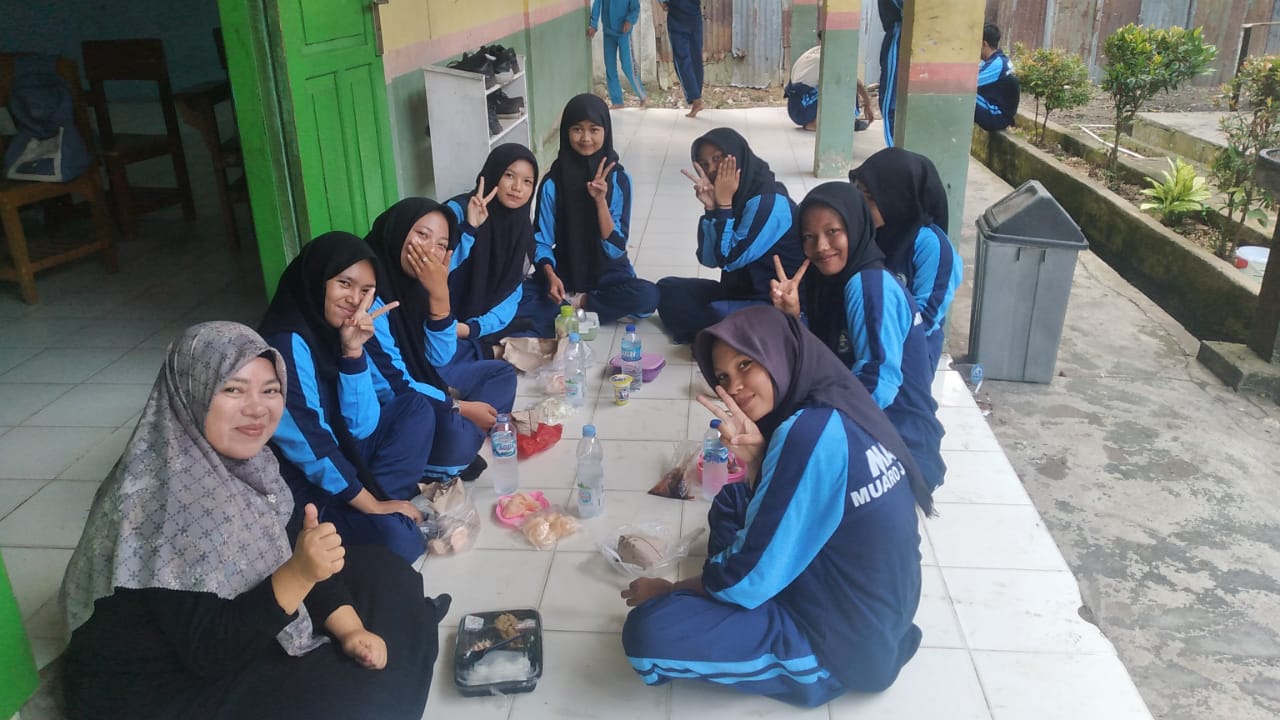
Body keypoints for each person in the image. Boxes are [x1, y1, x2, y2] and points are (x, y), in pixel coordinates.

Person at [60, 321, 444, 720]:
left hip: (235, 622)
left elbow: (290, 545)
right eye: (233, 389)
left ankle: (402, 647)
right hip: (161, 685)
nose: (258, 408)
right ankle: (408, 646)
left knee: (387, 569)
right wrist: (298, 573)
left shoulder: (250, 463)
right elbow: (210, 652)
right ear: (190, 391)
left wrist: (351, 630)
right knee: (365, 704)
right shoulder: (165, 502)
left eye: (270, 390)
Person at [620, 306, 931, 706]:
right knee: (732, 499)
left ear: (779, 353)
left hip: (845, 645)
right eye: (722, 378)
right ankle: (733, 587)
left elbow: (747, 581)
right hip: (875, 607)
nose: (734, 387)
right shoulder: (838, 402)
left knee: (649, 632)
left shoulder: (807, 434)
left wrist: (670, 590)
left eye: (745, 364)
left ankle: (802, 662)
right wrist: (757, 462)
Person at [260, 232, 442, 564]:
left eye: (365, 291)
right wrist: (373, 505)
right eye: (344, 283)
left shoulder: (337, 331)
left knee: (416, 409)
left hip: (343, 458)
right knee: (402, 542)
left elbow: (361, 426)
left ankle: (377, 509)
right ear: (317, 280)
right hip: (306, 488)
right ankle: (370, 513)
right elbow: (312, 448)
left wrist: (353, 352)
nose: (354, 299)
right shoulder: (284, 345)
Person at [773, 182, 945, 492]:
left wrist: (815, 425)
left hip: (900, 442)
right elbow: (823, 361)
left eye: (832, 231)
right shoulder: (832, 284)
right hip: (876, 425)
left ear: (855, 226)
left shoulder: (868, 285)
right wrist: (793, 316)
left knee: (790, 443)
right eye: (809, 237)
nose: (821, 246)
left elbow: (879, 383)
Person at [364, 196, 517, 441]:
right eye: (422, 235)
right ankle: (463, 432)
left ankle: (462, 430)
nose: (429, 250)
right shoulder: (368, 296)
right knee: (456, 437)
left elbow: (439, 357)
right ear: (397, 231)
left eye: (440, 244)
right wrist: (459, 407)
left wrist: (439, 297)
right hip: (395, 406)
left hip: (425, 375)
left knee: (502, 374)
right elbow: (392, 388)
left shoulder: (420, 282)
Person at [518, 93, 659, 337]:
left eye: (594, 129)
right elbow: (541, 241)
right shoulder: (552, 183)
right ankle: (590, 303)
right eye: (577, 129)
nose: (585, 138)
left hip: (609, 272)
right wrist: (550, 276)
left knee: (648, 297)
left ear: (606, 131)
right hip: (565, 271)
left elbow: (615, 248)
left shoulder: (619, 180)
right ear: (566, 132)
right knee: (515, 298)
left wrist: (600, 201)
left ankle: (578, 302)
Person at [656, 127, 804, 344]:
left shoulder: (770, 201)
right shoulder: (737, 196)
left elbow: (729, 259)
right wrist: (711, 209)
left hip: (776, 302)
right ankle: (720, 337)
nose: (712, 170)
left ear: (737, 156)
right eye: (704, 164)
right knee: (667, 290)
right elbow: (709, 259)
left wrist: (724, 205)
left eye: (718, 159)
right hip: (739, 293)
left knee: (716, 312)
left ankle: (718, 337)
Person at [850, 147, 962, 369]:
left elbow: (926, 315)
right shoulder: (868, 230)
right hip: (865, 337)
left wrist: (879, 339)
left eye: (871, 197)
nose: (861, 204)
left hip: (910, 354)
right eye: (858, 192)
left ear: (898, 198)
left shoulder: (931, 246)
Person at [443, 143, 540, 353]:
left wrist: (474, 328)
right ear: (493, 173)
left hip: (476, 323)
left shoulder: (522, 228)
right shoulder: (456, 211)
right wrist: (469, 229)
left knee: (546, 315)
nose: (517, 188)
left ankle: (482, 348)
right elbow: (435, 273)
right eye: (509, 175)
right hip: (441, 317)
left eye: (527, 181)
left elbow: (512, 292)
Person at [784, 44, 874, 132]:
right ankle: (819, 123)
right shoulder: (828, 61)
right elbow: (856, 83)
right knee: (845, 86)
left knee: (833, 83)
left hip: (793, 110)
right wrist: (868, 104)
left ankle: (822, 121)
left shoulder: (813, 52)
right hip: (804, 111)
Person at [589, 0, 647, 108]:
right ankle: (617, 101)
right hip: (608, 32)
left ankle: (643, 96)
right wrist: (593, 24)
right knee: (610, 66)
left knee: (628, 66)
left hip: (624, 33)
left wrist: (629, 20)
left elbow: (635, 8)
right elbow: (597, 3)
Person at [659, 0, 704, 117]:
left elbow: (664, 4)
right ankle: (696, 98)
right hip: (691, 15)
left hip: (679, 17)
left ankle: (696, 99)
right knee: (694, 58)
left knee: (684, 60)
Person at [975, 22, 1019, 131]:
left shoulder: (998, 64)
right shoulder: (996, 60)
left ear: (984, 44)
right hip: (996, 110)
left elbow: (968, 84)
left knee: (962, 96)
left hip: (998, 116)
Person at [878, 0, 904, 145]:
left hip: (903, 34)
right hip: (901, 34)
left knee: (891, 104)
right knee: (892, 103)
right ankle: (896, 150)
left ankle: (896, 150)